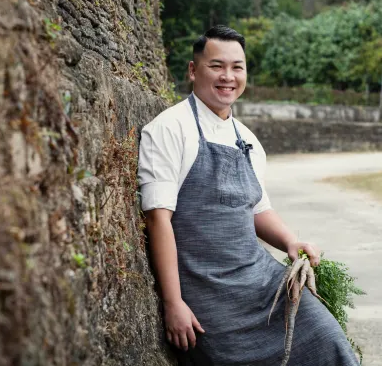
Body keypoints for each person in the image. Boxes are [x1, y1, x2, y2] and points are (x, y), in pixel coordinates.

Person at [137, 25, 359, 365]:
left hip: (261, 282)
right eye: (217, 66)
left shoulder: (249, 140)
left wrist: (290, 241)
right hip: (206, 290)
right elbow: (157, 219)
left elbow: (256, 208)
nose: (228, 76)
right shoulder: (169, 128)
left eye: (237, 67)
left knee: (329, 342)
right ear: (193, 71)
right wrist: (173, 303)